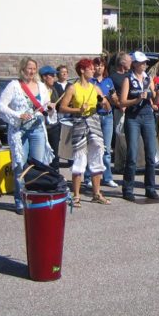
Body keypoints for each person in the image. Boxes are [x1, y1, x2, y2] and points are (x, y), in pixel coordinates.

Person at [0, 57, 55, 214]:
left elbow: (46, 108)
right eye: (29, 68)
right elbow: (1, 106)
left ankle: (35, 198)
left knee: (37, 165)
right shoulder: (14, 86)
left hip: (37, 129)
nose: (32, 71)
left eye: (34, 68)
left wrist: (50, 109)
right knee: (20, 165)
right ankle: (20, 200)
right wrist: (18, 115)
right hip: (19, 131)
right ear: (22, 69)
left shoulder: (42, 87)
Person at [59, 59, 111, 207]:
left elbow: (107, 108)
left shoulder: (95, 88)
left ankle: (97, 193)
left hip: (94, 124)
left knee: (97, 157)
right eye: (90, 68)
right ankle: (76, 196)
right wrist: (78, 110)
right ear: (82, 70)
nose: (93, 70)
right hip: (79, 124)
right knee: (79, 159)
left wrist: (103, 101)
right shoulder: (73, 88)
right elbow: (62, 107)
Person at [120, 51, 159, 201]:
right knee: (132, 153)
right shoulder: (128, 79)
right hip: (133, 118)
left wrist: (158, 93)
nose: (145, 64)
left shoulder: (148, 78)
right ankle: (128, 189)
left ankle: (150, 188)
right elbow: (122, 102)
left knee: (151, 154)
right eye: (142, 62)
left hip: (148, 116)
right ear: (135, 64)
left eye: (145, 62)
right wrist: (136, 100)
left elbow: (155, 102)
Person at [82, 57, 119, 188]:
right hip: (95, 115)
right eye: (97, 66)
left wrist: (114, 98)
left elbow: (115, 100)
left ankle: (107, 177)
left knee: (107, 149)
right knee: (92, 147)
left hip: (108, 116)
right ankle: (88, 177)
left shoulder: (108, 81)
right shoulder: (90, 82)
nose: (99, 68)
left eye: (102, 66)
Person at [39, 65, 61, 170]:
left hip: (54, 124)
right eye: (51, 75)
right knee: (42, 152)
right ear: (44, 77)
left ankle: (55, 175)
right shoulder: (39, 90)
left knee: (55, 152)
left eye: (54, 75)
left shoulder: (53, 89)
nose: (54, 78)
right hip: (42, 125)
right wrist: (47, 107)